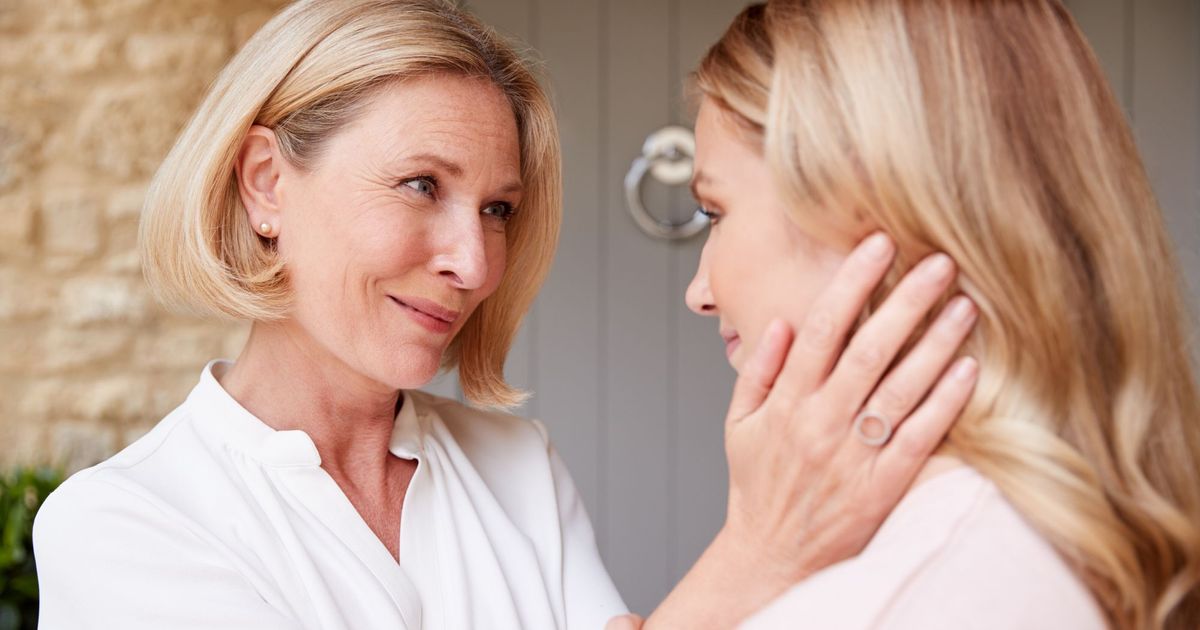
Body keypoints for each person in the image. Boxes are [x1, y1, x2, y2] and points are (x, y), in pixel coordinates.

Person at [31, 1, 979, 628]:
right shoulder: (123, 524)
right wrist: (760, 548)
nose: (475, 262)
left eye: (498, 209)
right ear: (268, 184)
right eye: (419, 185)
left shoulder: (517, 466)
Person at [641, 0, 1200, 628]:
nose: (700, 293)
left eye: (716, 213)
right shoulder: (1044, 539)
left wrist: (748, 554)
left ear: (879, 209)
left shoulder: (906, 600)